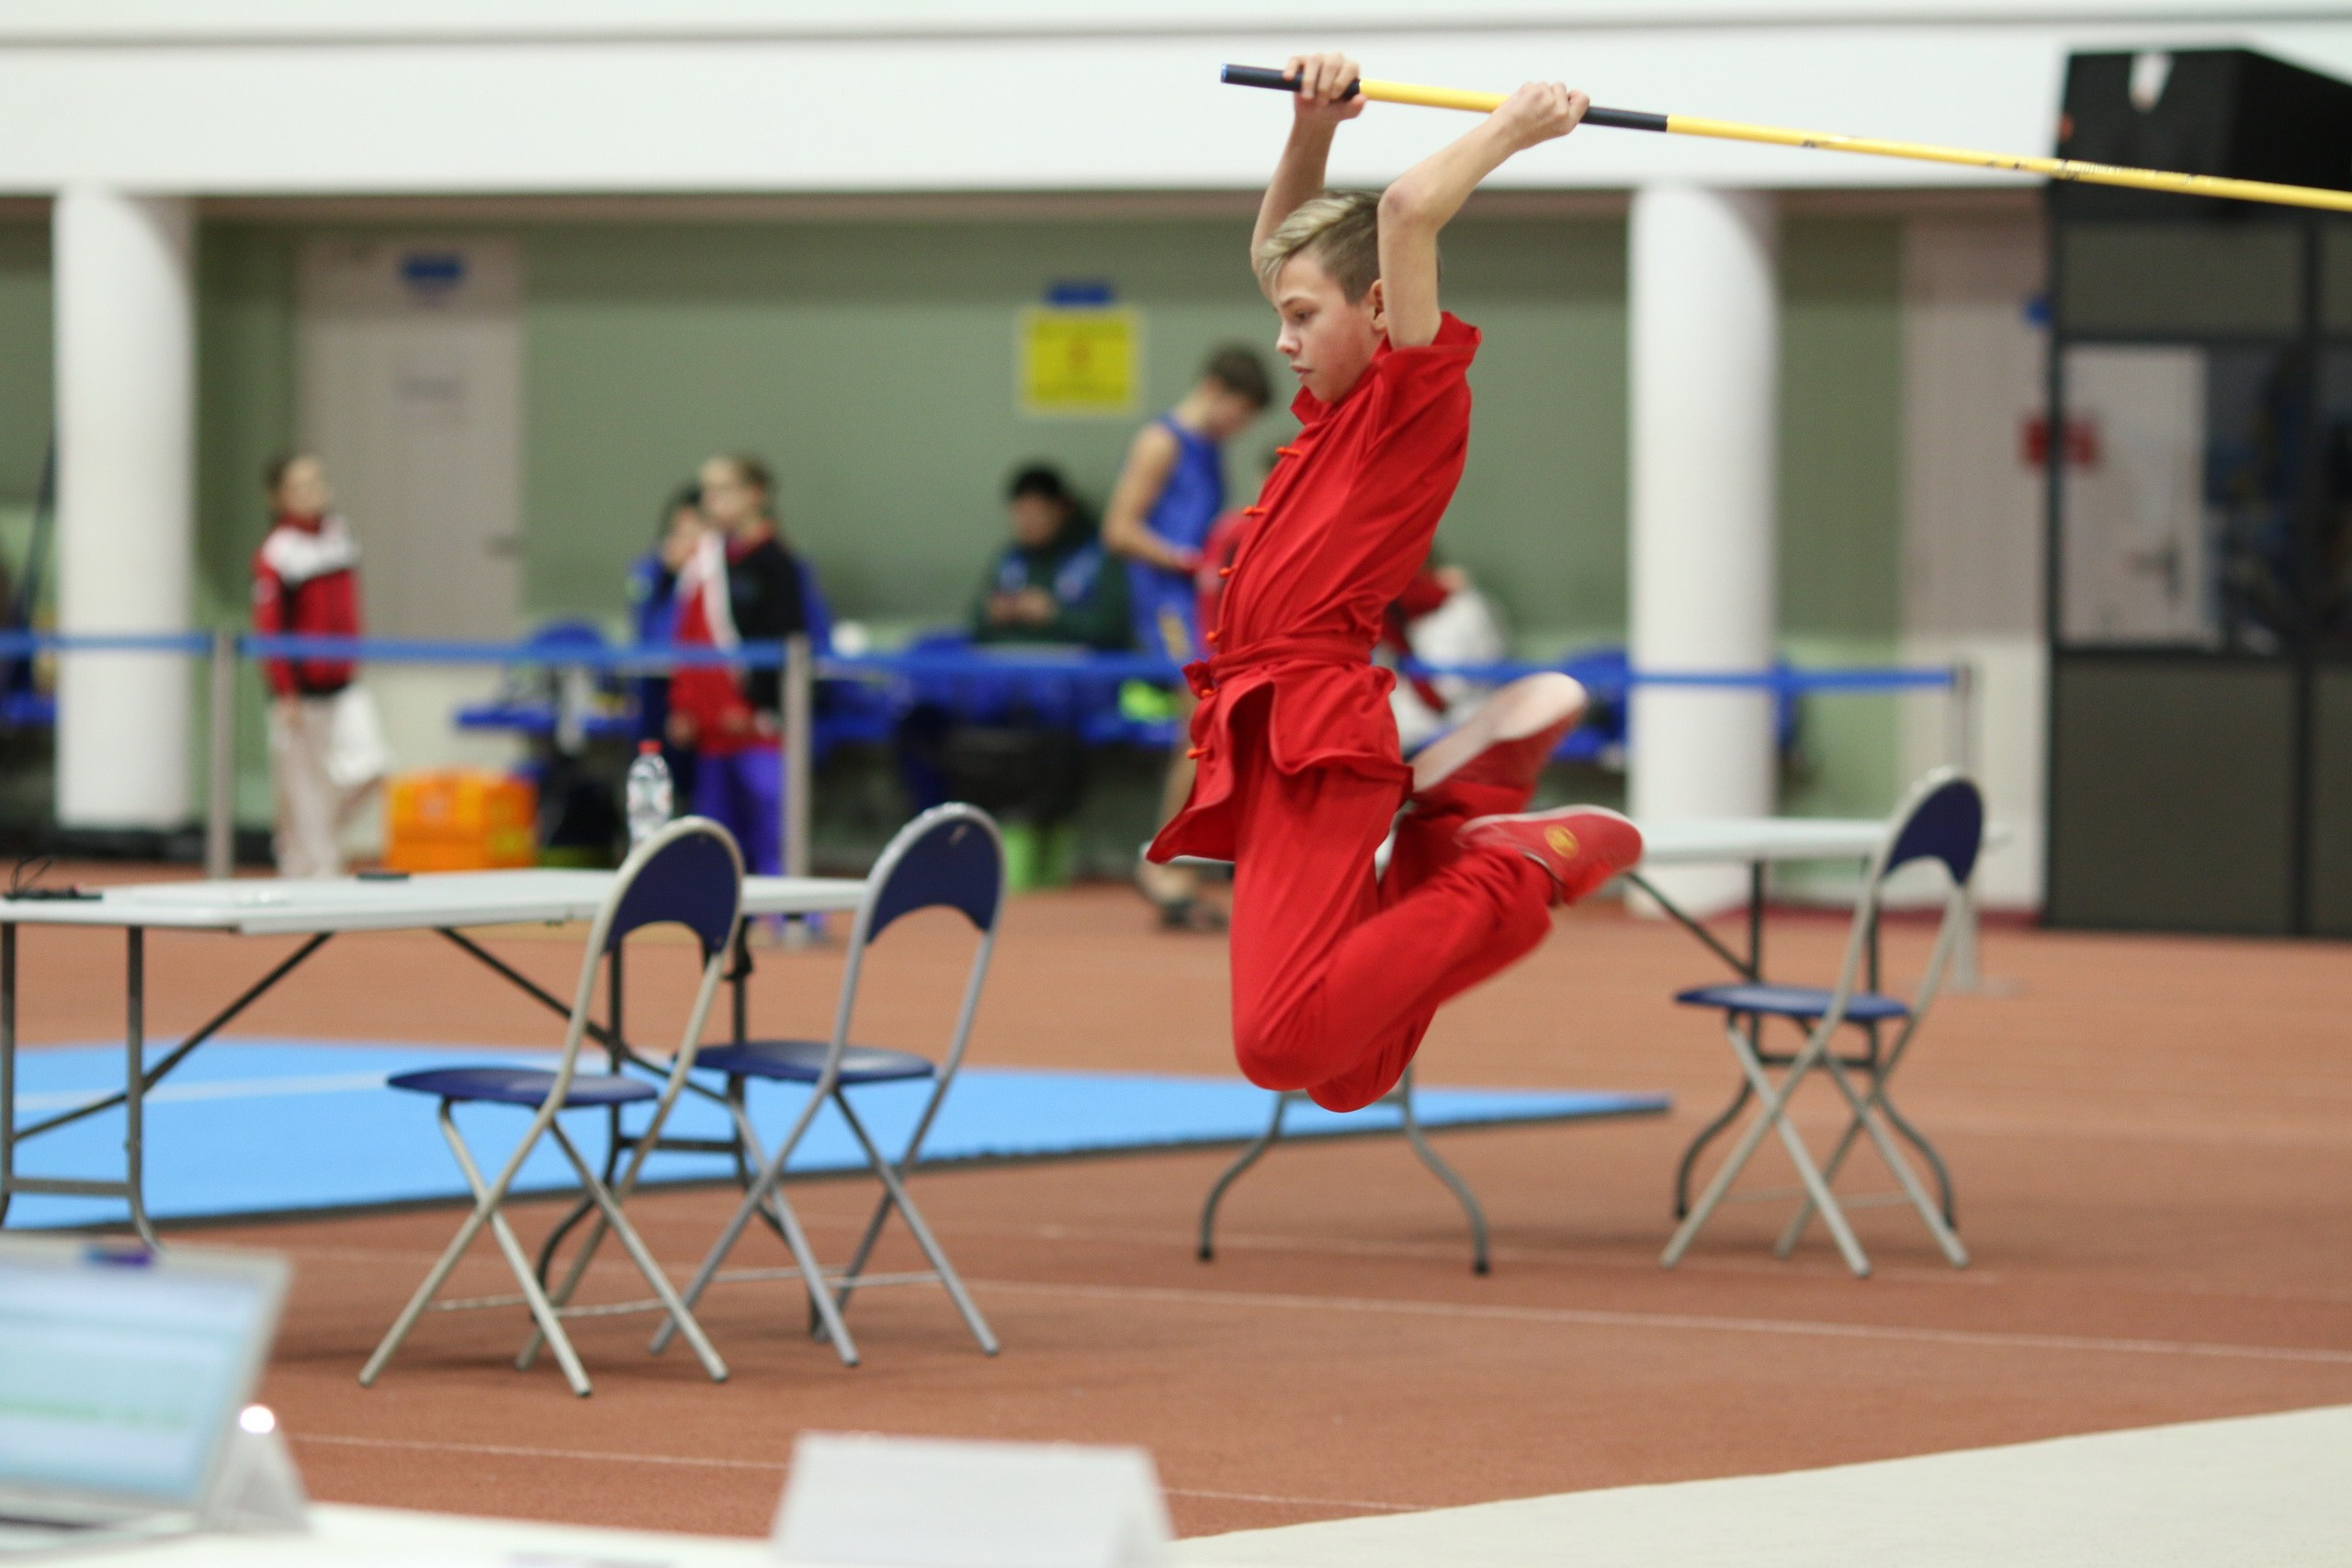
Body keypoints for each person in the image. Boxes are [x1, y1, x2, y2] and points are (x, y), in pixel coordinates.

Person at [1145, 52, 1642, 1114]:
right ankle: (1450, 819)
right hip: (1272, 721)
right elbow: (1281, 249)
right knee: (1345, 1071)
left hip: (1309, 723)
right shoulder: (1334, 411)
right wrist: (1310, 127)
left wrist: (1518, 125)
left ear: (1376, 310)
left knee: (1281, 1048)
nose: (1281, 342)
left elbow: (1411, 208)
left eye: (1300, 318)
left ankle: (1514, 864)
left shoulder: (1405, 401)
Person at [1103, 348, 1272, 929]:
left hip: (1198, 600)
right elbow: (1120, 529)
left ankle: (1181, 856)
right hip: (1167, 607)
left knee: (1211, 728)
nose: (1240, 427)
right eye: (1240, 412)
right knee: (1198, 725)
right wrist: (1186, 558)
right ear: (1214, 390)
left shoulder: (1211, 448)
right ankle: (1164, 860)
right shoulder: (1163, 442)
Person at [251, 452, 391, 878]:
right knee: (306, 793)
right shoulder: (277, 553)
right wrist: (285, 691)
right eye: (301, 486)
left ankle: (301, 842)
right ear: (279, 497)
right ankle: (314, 871)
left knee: (373, 767)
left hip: (345, 683)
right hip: (302, 691)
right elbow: (270, 627)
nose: (314, 492)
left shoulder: (340, 536)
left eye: (318, 481)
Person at [666, 455, 807, 876]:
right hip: (713, 730)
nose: (712, 501)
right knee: (718, 837)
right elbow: (688, 641)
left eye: (723, 490)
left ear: (754, 495)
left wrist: (752, 705)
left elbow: (787, 644)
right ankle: (724, 915)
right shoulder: (705, 565)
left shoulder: (776, 563)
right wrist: (685, 705)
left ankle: (792, 914)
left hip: (759, 728)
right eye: (707, 491)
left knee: (772, 827)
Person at [625, 485, 706, 802]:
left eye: (690, 533)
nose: (679, 542)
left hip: (694, 697)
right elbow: (645, 633)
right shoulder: (654, 575)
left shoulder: (712, 583)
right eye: (676, 532)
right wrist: (661, 573)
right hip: (654, 693)